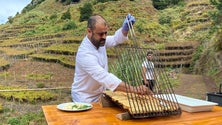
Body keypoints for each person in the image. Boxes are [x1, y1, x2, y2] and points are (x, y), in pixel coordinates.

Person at [71, 14, 151, 103]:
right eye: (101, 34)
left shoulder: (99, 41)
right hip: (84, 98)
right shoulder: (85, 54)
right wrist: (134, 89)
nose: (104, 37)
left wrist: (124, 30)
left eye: (106, 33)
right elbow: (104, 77)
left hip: (99, 95)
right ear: (89, 31)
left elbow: (116, 39)